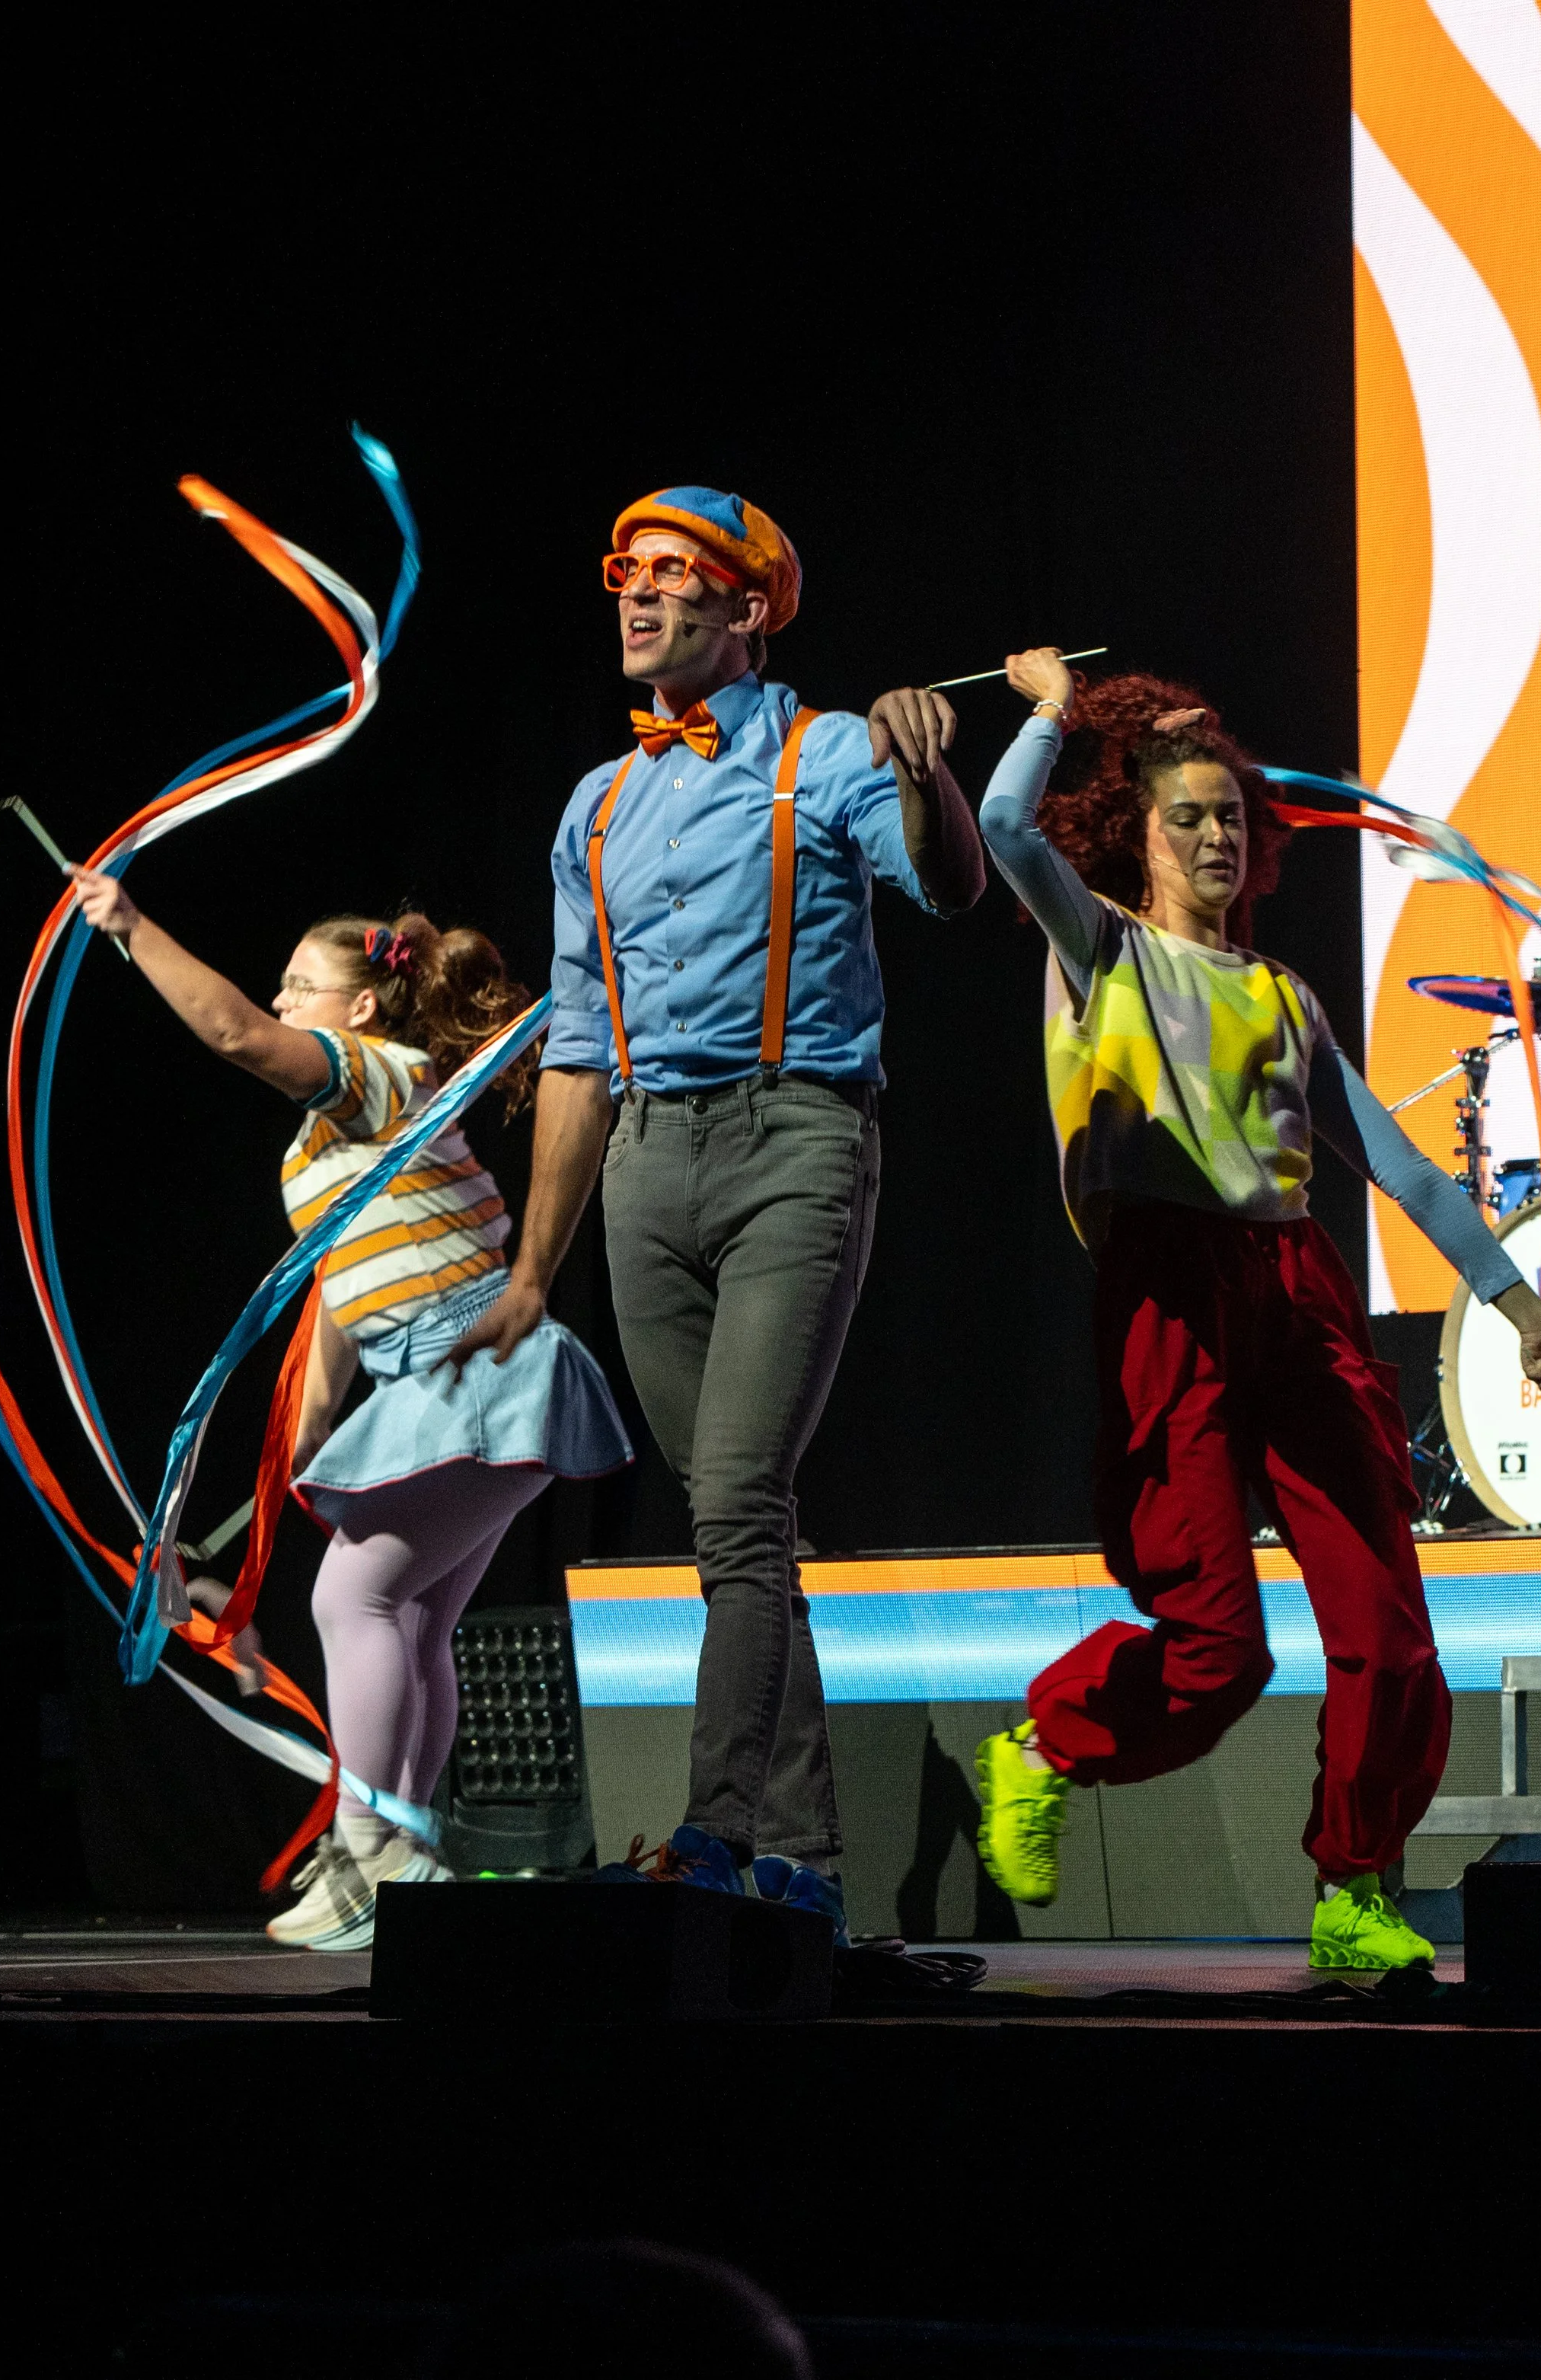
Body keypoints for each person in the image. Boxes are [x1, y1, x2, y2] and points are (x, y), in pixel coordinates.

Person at [971, 655, 1541, 1973]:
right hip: (1170, 1291)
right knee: (1217, 1650)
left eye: (1231, 818)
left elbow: (1406, 1170)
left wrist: (1518, 1298)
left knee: (1390, 1630)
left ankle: (1356, 1890)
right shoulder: (1106, 950)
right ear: (1135, 835)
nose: (1214, 836)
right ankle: (1046, 1743)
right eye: (1186, 816)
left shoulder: (1286, 999)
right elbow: (1005, 829)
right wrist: (1048, 713)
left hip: (1298, 1289)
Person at [446, 484, 984, 1944]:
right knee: (733, 1528)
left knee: (741, 1503)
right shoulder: (597, 804)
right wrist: (530, 1273)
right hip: (641, 1172)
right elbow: (572, 1043)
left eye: (676, 576)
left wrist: (928, 773)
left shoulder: (825, 754)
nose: (639, 596)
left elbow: (948, 894)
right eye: (628, 573)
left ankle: (713, 1828)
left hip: (793, 1142)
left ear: (748, 610)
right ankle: (801, 1859)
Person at [65, 870, 633, 1946]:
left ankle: (376, 1846)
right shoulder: (330, 1143)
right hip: (425, 1378)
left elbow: (232, 1033)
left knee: (351, 1605)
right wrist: (313, 1430)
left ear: (360, 1007)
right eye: (280, 986)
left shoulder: (376, 1072)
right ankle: (396, 1851)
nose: (282, 1004)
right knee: (413, 1615)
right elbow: (334, 1290)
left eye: (300, 985)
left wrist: (133, 926)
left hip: (475, 1368)